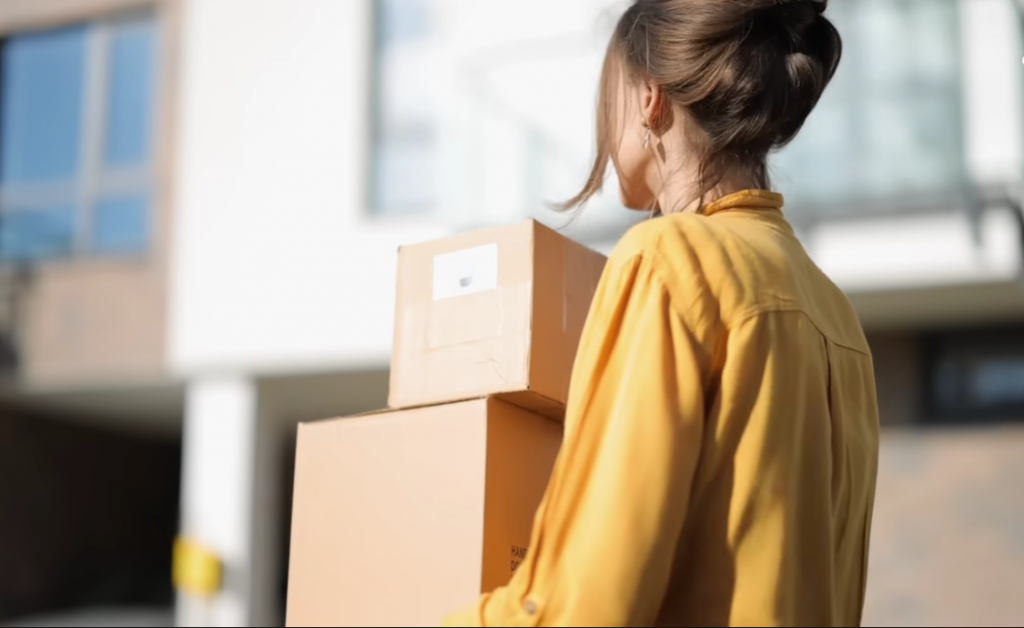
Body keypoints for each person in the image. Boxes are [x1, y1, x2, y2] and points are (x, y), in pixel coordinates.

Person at [444, 0, 879, 625]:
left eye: (609, 96)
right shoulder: (837, 316)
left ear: (650, 97)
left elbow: (585, 602)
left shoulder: (668, 262)